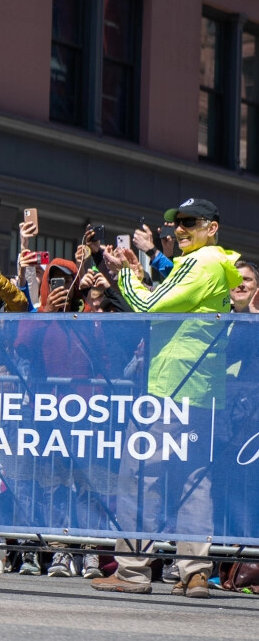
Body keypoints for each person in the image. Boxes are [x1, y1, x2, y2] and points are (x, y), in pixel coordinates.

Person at [95, 198, 242, 598]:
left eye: (189, 222)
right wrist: (136, 271)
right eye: (177, 222)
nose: (179, 228)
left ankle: (132, 572)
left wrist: (124, 276)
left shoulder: (200, 262)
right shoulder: (211, 263)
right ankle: (194, 573)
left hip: (170, 390)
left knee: (140, 475)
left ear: (212, 227)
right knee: (194, 481)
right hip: (200, 390)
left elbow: (148, 305)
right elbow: (166, 296)